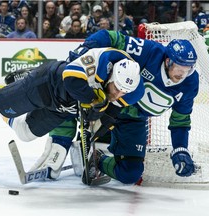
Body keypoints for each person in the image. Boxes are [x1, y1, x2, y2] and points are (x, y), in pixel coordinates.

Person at [0, 48, 144, 179]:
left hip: (62, 108)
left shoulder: (123, 92)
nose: (117, 94)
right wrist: (95, 100)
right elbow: (70, 77)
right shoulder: (100, 61)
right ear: (111, 75)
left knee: (25, 132)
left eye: (123, 92)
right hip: (46, 85)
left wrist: (92, 128)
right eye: (116, 88)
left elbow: (103, 114)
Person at [66, 29, 198, 185]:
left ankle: (98, 160)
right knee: (69, 99)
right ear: (168, 61)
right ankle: (60, 141)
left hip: (133, 121)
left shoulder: (190, 84)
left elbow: (180, 120)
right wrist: (86, 49)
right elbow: (111, 36)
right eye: (179, 67)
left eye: (187, 69)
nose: (182, 74)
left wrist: (180, 149)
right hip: (110, 101)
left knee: (130, 173)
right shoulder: (150, 52)